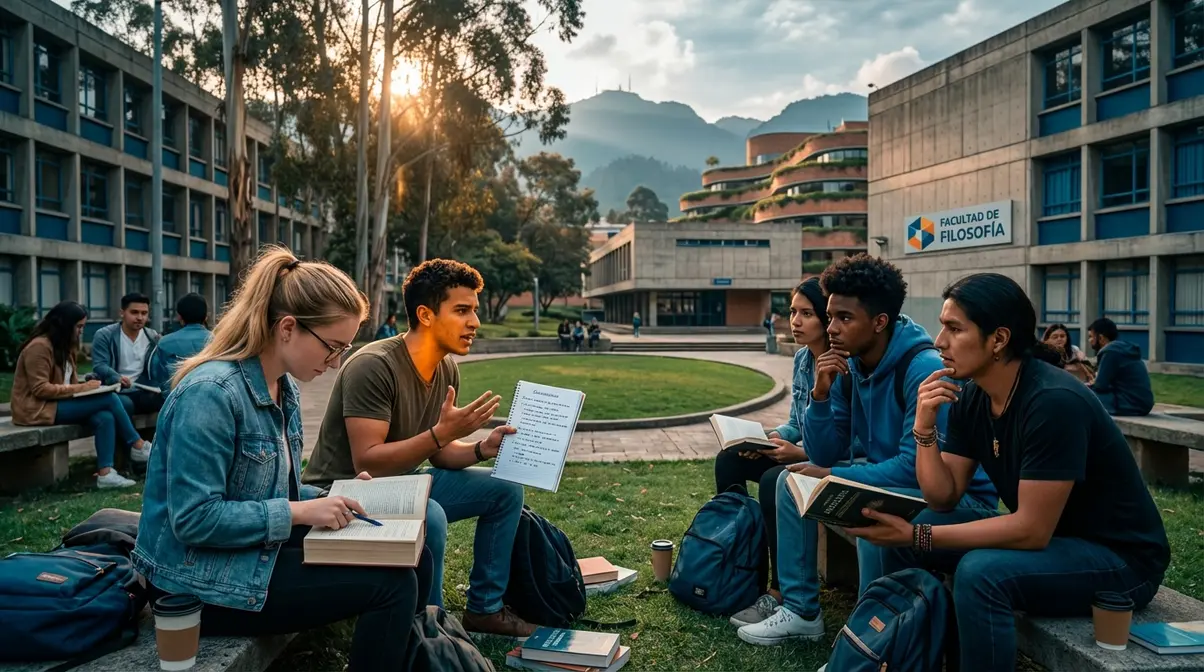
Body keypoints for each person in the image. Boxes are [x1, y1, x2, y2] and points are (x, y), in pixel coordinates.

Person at [848, 274, 1169, 672]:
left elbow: (1031, 530)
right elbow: (942, 497)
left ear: (998, 339)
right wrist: (924, 429)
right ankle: (899, 655)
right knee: (905, 522)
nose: (939, 342)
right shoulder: (973, 395)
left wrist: (920, 536)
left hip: (1120, 560)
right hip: (1054, 539)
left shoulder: (1053, 402)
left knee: (982, 574)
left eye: (954, 329)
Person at [132, 248, 433, 672]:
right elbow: (194, 519)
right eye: (333, 347)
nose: (336, 364)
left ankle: (416, 655)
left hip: (247, 551)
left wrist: (336, 496)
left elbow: (273, 490)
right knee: (392, 584)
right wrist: (302, 510)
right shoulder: (211, 394)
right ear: (288, 328)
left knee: (412, 553)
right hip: (198, 584)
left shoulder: (280, 387)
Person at [737, 254, 997, 645]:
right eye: (830, 317)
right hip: (892, 481)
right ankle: (802, 610)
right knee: (790, 485)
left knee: (870, 508)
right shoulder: (850, 365)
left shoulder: (921, 368)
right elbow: (824, 452)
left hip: (958, 503)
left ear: (879, 322)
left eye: (844, 318)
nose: (832, 329)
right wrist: (821, 394)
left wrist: (833, 476)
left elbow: (916, 469)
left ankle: (865, 638)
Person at [302, 258, 535, 637]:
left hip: (400, 484)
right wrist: (441, 434)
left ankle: (485, 610)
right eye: (462, 310)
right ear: (425, 314)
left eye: (474, 310)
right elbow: (368, 461)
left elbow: (439, 454)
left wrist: (481, 449)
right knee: (432, 514)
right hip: (343, 492)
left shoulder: (445, 368)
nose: (474, 322)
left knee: (506, 490)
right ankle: (431, 631)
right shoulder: (373, 366)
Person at [723, 278, 827, 628]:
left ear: (827, 319)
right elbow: (796, 422)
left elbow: (840, 442)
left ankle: (780, 590)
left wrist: (796, 451)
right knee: (730, 459)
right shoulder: (801, 360)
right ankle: (738, 568)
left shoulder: (841, 367)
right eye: (793, 311)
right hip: (797, 452)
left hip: (826, 464)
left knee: (772, 481)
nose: (794, 321)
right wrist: (769, 438)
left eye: (807, 313)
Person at [11, 301, 151, 488]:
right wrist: (82, 389)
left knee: (104, 416)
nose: (80, 332)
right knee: (109, 399)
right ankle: (137, 444)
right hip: (36, 410)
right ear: (64, 325)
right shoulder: (39, 347)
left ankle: (105, 473)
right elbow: (40, 389)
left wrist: (88, 386)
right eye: (78, 327)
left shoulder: (64, 346)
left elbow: (67, 383)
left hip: (57, 404)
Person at [91, 292, 163, 416]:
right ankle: (131, 436)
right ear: (122, 313)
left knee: (167, 400)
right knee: (125, 404)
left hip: (142, 389)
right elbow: (100, 365)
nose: (140, 317)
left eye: (144, 313)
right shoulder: (105, 335)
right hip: (115, 390)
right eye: (134, 312)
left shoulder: (153, 337)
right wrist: (117, 377)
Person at [148, 293, 212, 397]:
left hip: (174, 399)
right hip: (211, 398)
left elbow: (157, 376)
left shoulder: (164, 342)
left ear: (179, 317)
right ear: (206, 316)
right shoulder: (218, 341)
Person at [1087, 317, 1155, 416]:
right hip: (1143, 404)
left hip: (1130, 403)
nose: (1089, 340)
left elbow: (1100, 386)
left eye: (1091, 337)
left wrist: (1091, 384)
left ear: (1101, 338)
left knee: (1082, 394)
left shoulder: (1110, 351)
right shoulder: (1123, 349)